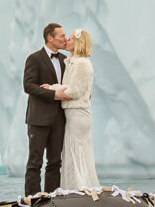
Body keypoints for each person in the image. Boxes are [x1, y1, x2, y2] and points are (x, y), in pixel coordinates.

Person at [50, 28, 99, 191]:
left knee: (76, 153)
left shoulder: (82, 64)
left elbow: (74, 91)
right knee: (74, 153)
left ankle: (79, 190)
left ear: (78, 43)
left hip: (78, 114)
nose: (67, 41)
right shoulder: (73, 62)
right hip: (72, 114)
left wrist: (52, 89)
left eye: (70, 39)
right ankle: (79, 189)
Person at [23, 23, 69, 196]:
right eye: (61, 36)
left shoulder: (65, 60)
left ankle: (52, 198)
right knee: (35, 162)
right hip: (38, 119)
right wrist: (52, 93)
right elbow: (28, 86)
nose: (65, 39)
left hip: (59, 118)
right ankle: (32, 199)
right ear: (50, 38)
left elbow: (68, 87)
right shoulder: (34, 58)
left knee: (55, 162)